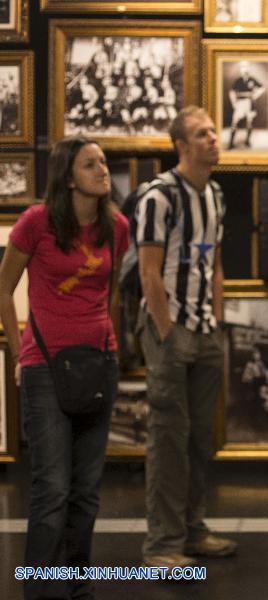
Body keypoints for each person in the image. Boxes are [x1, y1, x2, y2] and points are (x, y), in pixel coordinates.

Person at [0, 135, 129, 600]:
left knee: (86, 490)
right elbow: (4, 287)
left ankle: (75, 587)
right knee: (52, 488)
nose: (102, 170)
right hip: (45, 367)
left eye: (103, 162)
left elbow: (109, 293)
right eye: (90, 163)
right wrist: (19, 353)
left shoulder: (116, 227)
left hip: (99, 363)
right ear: (68, 178)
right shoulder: (36, 223)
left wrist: (110, 345)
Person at [134, 106, 235, 568]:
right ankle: (162, 545)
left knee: (199, 439)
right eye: (201, 134)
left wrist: (216, 320)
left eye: (214, 131)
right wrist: (166, 330)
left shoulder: (214, 194)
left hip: (205, 331)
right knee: (168, 438)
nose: (213, 139)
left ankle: (193, 530)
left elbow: (213, 264)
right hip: (169, 329)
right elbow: (149, 272)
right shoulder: (159, 195)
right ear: (181, 146)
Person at [227, 62, 266, 150]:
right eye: (243, 68)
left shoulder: (252, 79)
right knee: (235, 121)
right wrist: (234, 103)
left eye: (246, 68)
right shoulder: (238, 80)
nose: (245, 70)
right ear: (241, 70)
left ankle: (247, 141)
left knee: (249, 121)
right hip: (240, 102)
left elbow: (262, 87)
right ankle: (231, 143)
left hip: (249, 102)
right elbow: (231, 92)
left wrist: (255, 95)